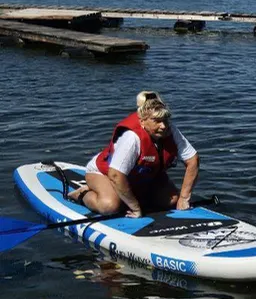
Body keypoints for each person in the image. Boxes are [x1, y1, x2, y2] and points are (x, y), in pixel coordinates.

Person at [67, 91, 200, 217]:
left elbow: (193, 160)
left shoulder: (171, 131)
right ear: (142, 121)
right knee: (110, 206)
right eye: (157, 121)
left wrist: (184, 198)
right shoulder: (132, 138)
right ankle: (83, 193)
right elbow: (115, 174)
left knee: (171, 200)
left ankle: (132, 195)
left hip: (141, 174)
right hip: (105, 173)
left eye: (165, 120)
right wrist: (135, 208)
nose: (163, 126)